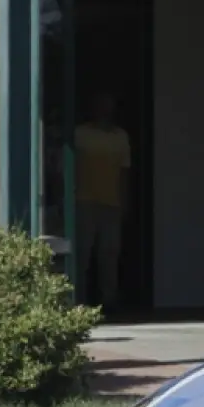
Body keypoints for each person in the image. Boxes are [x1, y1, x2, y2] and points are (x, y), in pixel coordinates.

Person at [74, 91, 131, 310]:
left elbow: (125, 171)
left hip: (112, 202)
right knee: (83, 253)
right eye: (100, 104)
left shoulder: (120, 137)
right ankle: (79, 300)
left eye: (108, 104)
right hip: (84, 200)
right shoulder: (80, 134)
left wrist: (125, 201)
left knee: (109, 253)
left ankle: (109, 300)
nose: (104, 109)